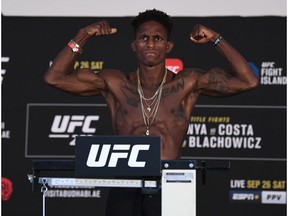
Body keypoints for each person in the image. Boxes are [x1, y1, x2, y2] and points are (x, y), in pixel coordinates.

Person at [44, 9, 258, 216]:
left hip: (171, 182)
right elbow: (54, 77)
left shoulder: (187, 83)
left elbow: (247, 81)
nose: (150, 43)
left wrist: (216, 38)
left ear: (169, 46)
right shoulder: (115, 84)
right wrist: (83, 35)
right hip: (125, 183)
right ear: (133, 45)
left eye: (158, 38)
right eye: (144, 38)